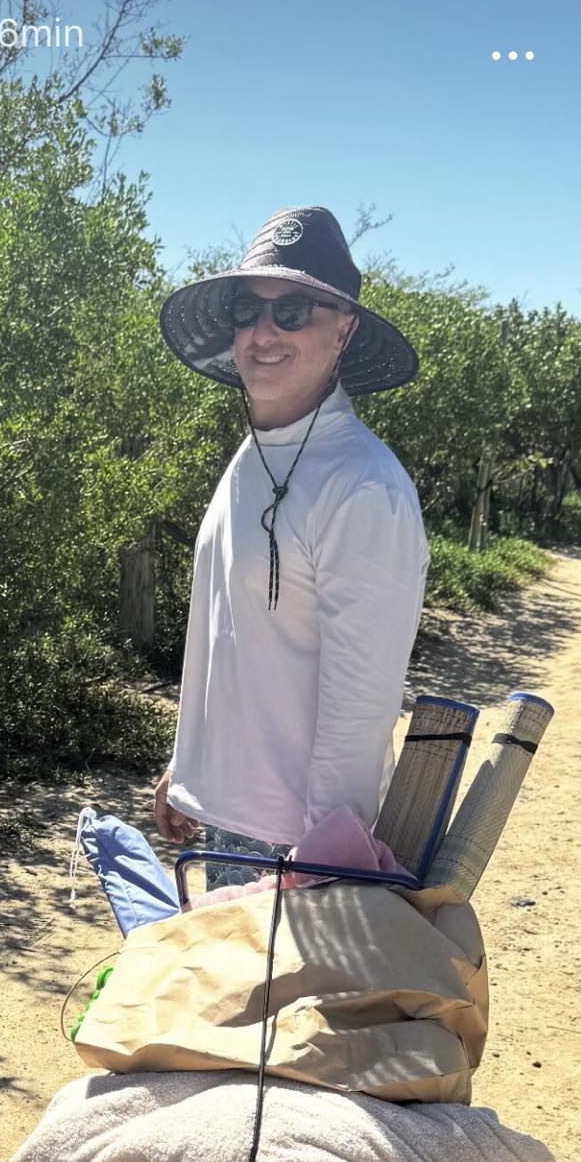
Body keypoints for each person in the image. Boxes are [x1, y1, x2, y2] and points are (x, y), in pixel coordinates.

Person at [154, 206, 429, 885]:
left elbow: (359, 704)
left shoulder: (363, 486)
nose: (264, 332)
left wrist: (324, 863)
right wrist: (187, 765)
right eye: (249, 309)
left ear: (344, 328)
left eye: (294, 310)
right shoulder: (254, 455)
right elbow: (232, 639)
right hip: (224, 829)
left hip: (292, 849)